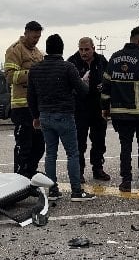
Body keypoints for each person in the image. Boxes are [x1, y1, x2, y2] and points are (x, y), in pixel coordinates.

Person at [28, 34, 95, 201]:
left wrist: (35, 116)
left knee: (51, 154)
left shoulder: (35, 69)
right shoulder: (68, 67)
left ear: (47, 49)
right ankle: (76, 192)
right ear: (62, 49)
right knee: (72, 153)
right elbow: (83, 91)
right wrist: (84, 82)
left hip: (45, 116)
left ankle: (52, 191)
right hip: (65, 115)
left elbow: (31, 96)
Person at [102, 26, 139, 192]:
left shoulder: (114, 58)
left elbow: (106, 87)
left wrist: (104, 108)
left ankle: (126, 182)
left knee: (125, 148)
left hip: (120, 114)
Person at [5, 21, 45, 177]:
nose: (36, 40)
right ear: (26, 33)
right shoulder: (14, 50)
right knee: (24, 144)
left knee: (39, 145)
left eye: (38, 37)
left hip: (36, 106)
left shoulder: (38, 53)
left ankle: (31, 171)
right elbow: (9, 76)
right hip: (21, 107)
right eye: (34, 37)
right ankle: (20, 176)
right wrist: (32, 74)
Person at [68, 37, 111, 182]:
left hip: (98, 107)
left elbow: (109, 81)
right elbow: (66, 86)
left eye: (87, 49)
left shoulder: (101, 61)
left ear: (93, 48)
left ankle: (98, 168)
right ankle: (79, 172)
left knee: (99, 140)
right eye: (81, 49)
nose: (84, 53)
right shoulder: (72, 62)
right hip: (79, 108)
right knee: (79, 142)